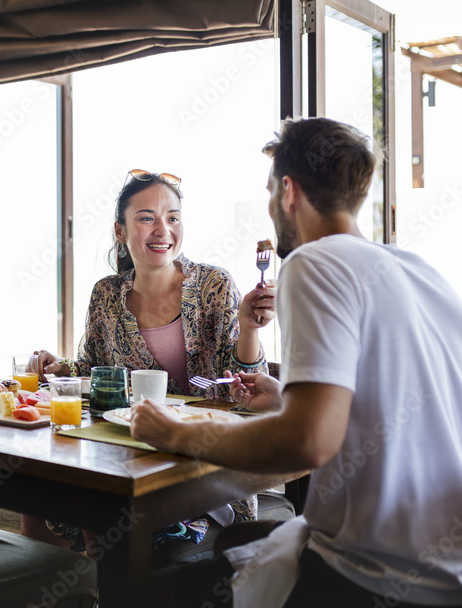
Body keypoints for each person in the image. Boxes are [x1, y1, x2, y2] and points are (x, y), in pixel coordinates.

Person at [131, 118, 462, 607]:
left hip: (373, 572)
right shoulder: (418, 271)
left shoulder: (314, 263)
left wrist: (175, 434)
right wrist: (286, 397)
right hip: (446, 567)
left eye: (269, 193)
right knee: (233, 545)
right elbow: (406, 406)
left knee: (152, 591)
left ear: (289, 191)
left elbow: (308, 440)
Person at [28, 169, 275, 558]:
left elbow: (247, 389)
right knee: (42, 498)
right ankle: (80, 587)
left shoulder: (215, 286)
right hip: (127, 455)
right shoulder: (106, 295)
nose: (163, 230)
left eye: (172, 217)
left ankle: (104, 578)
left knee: (113, 528)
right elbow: (91, 370)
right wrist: (58, 367)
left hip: (198, 465)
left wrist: (248, 328)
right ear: (121, 231)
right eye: (147, 218)